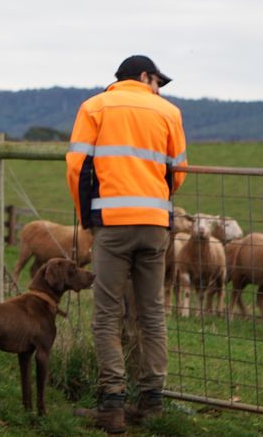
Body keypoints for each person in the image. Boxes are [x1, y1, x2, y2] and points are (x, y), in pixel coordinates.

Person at [67, 55, 187, 434]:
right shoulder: (169, 112)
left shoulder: (95, 107)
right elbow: (178, 171)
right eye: (157, 81)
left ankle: (112, 406)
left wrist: (86, 216)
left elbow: (76, 166)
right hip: (155, 225)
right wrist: (157, 201)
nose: (158, 89)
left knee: (107, 315)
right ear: (145, 76)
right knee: (151, 313)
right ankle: (151, 402)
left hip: (111, 225)